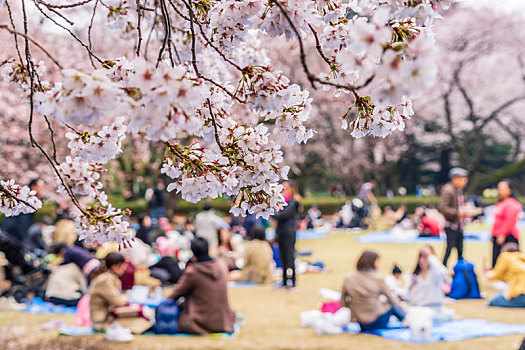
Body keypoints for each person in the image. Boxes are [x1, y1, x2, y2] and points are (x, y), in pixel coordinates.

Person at [170, 237, 236, 334]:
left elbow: (175, 294)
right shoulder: (221, 266)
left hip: (200, 322)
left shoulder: (194, 272)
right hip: (223, 321)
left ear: (193, 253)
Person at [340, 251, 406, 332]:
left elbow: (343, 303)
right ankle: (405, 321)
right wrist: (404, 315)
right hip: (377, 321)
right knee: (391, 304)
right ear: (373, 263)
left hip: (360, 322)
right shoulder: (377, 279)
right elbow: (392, 300)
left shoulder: (348, 278)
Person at [90, 252, 153, 333]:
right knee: (141, 322)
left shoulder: (109, 277)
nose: (125, 268)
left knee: (143, 319)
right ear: (115, 266)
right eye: (123, 266)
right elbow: (117, 301)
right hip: (103, 321)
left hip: (108, 316)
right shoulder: (105, 280)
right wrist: (128, 296)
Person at [439, 168, 480, 266]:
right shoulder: (448, 190)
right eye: (462, 179)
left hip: (458, 225)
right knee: (449, 249)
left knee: (460, 249)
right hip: (451, 224)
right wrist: (458, 213)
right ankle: (443, 267)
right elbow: (443, 207)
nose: (464, 182)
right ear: (454, 179)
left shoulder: (457, 190)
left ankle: (460, 269)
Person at [407, 245, 451, 321]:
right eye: (421, 256)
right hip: (416, 310)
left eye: (425, 256)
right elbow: (406, 297)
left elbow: (443, 272)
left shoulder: (436, 274)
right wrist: (410, 287)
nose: (422, 260)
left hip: (434, 310)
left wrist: (430, 255)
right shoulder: (414, 276)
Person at [273, 181, 300, 288]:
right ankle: (284, 281)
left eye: (285, 188)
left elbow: (282, 215)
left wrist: (272, 211)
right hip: (281, 232)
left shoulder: (293, 202)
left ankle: (292, 281)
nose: (283, 191)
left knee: (290, 256)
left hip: (289, 232)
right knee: (282, 257)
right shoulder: (281, 202)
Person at [491, 180, 522, 267]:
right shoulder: (501, 203)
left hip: (508, 236)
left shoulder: (512, 204)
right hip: (498, 235)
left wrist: (502, 234)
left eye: (504, 189)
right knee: (496, 262)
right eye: (499, 189)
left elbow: (509, 221)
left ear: (510, 190)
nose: (501, 191)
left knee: (508, 263)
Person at [487, 243, 525, 308]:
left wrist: (488, 273)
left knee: (494, 300)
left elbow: (494, 275)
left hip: (520, 293)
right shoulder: (521, 258)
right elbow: (509, 277)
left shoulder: (505, 256)